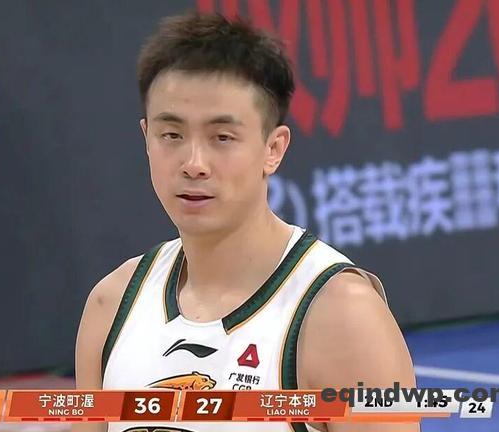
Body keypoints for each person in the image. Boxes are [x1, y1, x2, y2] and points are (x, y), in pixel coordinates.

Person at [74, 12, 418, 432]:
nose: (194, 164)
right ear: (146, 138)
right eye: (172, 135)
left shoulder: (341, 316)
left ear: (274, 149)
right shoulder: (112, 305)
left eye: (222, 138)